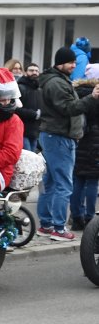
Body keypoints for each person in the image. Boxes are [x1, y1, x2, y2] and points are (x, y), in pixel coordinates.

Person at [36, 46, 99, 241]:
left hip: (55, 136)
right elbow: (68, 108)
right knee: (63, 184)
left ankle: (46, 225)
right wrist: (92, 98)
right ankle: (58, 228)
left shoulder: (59, 80)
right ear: (60, 63)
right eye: (71, 62)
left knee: (52, 183)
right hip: (59, 137)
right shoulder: (56, 83)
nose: (74, 65)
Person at [70, 78, 99, 230]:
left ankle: (76, 218)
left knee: (78, 181)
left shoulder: (76, 94)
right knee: (93, 182)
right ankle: (90, 218)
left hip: (78, 140)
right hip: (95, 142)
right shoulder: (96, 96)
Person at [16, 62, 43, 152]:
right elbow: (15, 109)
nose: (34, 73)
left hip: (35, 131)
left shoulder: (39, 90)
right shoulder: (20, 87)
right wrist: (33, 114)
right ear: (25, 72)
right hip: (22, 131)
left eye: (36, 71)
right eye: (31, 70)